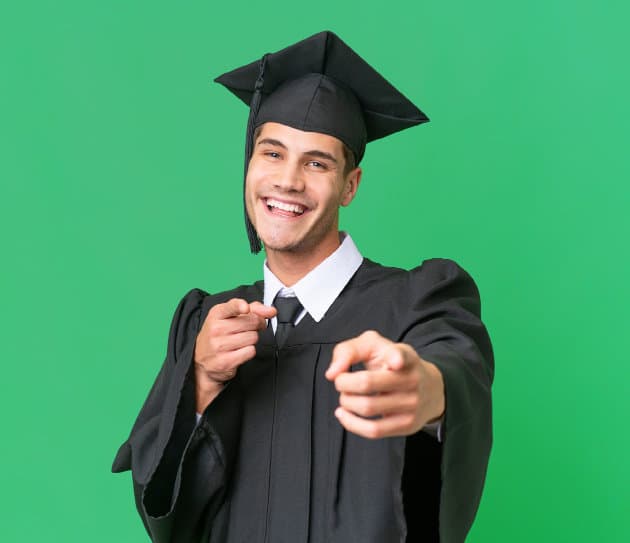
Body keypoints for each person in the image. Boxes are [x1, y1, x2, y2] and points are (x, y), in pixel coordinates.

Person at [112, 31, 494, 543]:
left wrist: (426, 391)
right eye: (272, 153)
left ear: (350, 185)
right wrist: (199, 383)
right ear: (250, 165)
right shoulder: (209, 323)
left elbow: (457, 366)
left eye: (317, 162)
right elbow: (165, 513)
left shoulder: (417, 302)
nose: (288, 180)